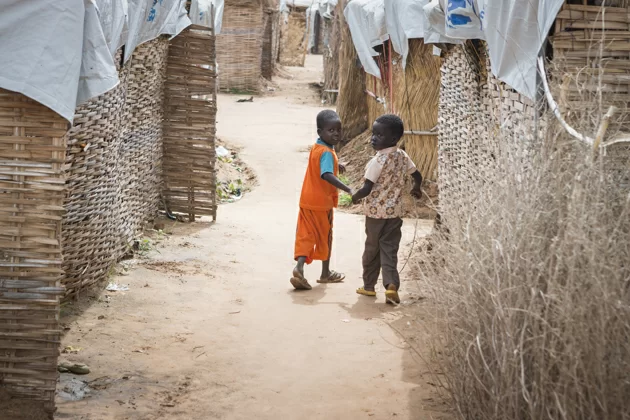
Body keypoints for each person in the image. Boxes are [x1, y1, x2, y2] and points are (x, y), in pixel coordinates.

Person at [351, 114, 423, 304]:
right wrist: (416, 188)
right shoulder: (402, 156)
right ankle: (391, 286)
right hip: (395, 214)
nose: (373, 138)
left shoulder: (377, 162)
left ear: (393, 139)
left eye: (379, 135)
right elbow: (417, 175)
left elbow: (366, 189)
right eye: (374, 134)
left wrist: (354, 196)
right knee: (389, 249)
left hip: (375, 215)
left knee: (372, 249)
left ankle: (368, 286)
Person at [291, 110, 353, 290]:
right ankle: (325, 274)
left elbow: (322, 164)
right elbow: (325, 174)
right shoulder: (327, 152)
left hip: (306, 200)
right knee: (325, 236)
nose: (336, 134)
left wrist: (337, 165)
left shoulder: (317, 147)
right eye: (331, 130)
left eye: (338, 130)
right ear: (320, 132)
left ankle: (299, 267)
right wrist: (347, 188)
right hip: (321, 203)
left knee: (306, 235)